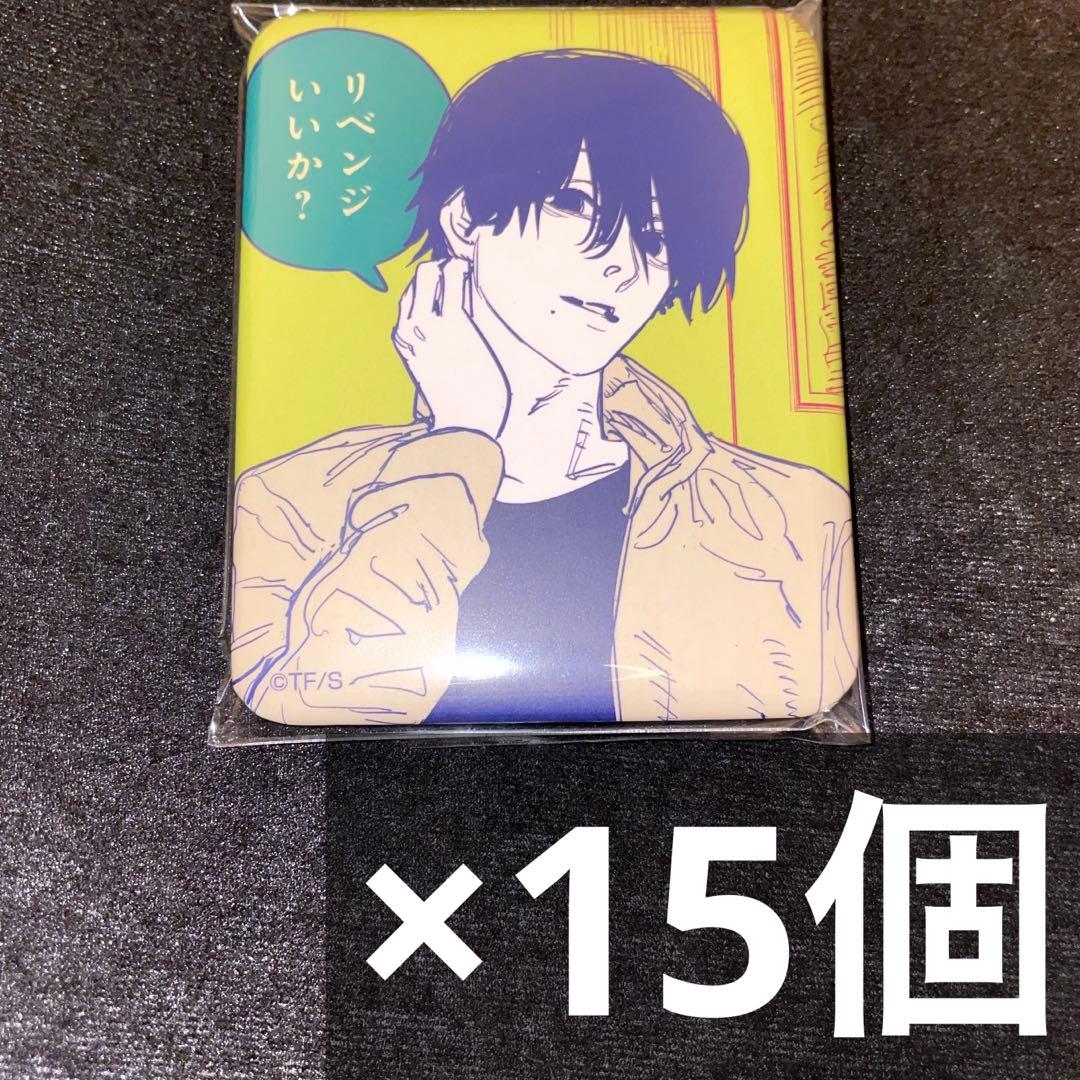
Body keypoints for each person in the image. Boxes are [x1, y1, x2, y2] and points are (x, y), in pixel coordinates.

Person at [229, 50, 859, 727]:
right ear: (465, 218)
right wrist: (460, 440)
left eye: (656, 235)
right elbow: (336, 706)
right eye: (575, 203)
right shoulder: (290, 502)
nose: (622, 263)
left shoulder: (798, 520)